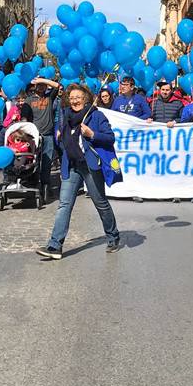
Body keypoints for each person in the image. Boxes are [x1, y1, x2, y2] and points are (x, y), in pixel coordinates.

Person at [37, 83, 121, 260]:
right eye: (72, 98)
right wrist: (59, 139)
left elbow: (110, 138)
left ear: (86, 99)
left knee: (100, 203)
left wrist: (92, 134)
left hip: (90, 166)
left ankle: (113, 236)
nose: (74, 100)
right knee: (64, 205)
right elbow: (63, 142)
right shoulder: (65, 117)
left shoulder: (96, 116)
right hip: (72, 165)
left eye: (78, 97)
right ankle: (55, 245)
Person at [26, 77, 60, 197]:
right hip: (34, 137)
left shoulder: (49, 97)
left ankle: (46, 185)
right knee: (34, 161)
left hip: (48, 135)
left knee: (47, 162)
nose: (41, 87)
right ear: (34, 86)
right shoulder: (29, 100)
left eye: (43, 85)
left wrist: (43, 80)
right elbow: (25, 118)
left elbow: (58, 86)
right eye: (38, 85)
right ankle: (33, 183)